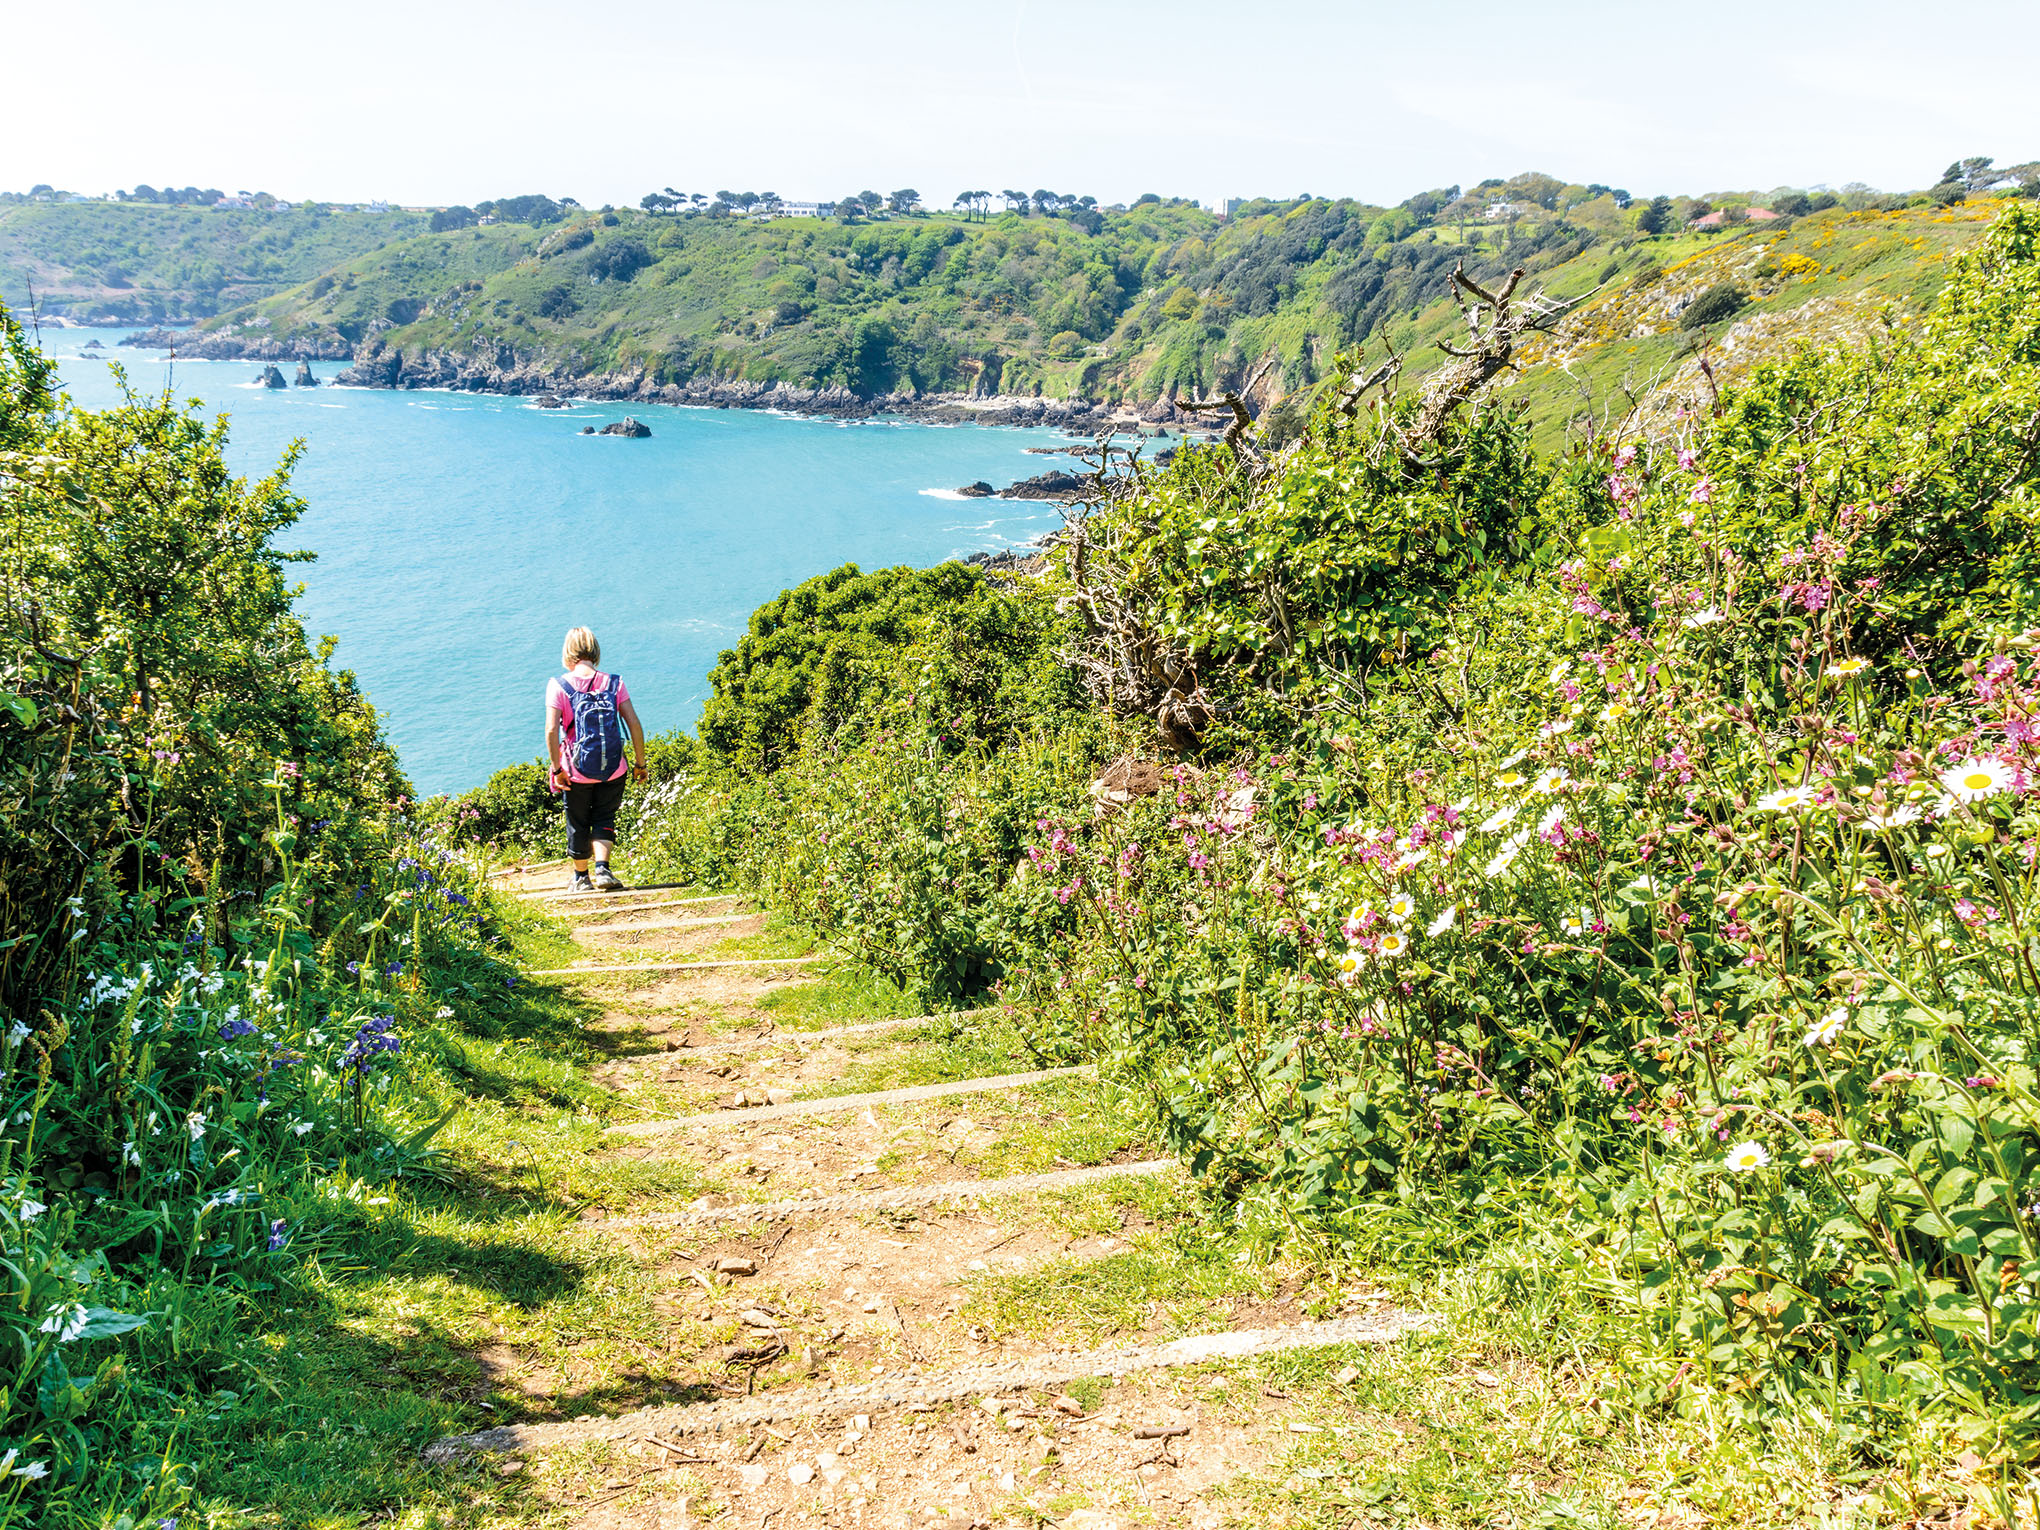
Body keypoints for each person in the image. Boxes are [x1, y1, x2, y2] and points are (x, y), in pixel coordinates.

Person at [544, 626, 646, 892]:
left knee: (577, 820)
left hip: (575, 770)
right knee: (604, 816)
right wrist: (640, 764)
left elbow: (551, 730)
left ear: (568, 653)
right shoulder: (614, 682)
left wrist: (556, 769)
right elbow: (634, 724)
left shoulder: (559, 685)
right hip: (614, 767)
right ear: (595, 651)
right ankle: (603, 869)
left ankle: (581, 878)